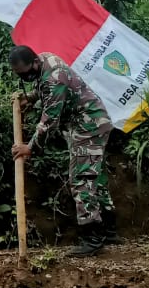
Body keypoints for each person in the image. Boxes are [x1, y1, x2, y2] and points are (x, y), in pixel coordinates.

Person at [9, 45, 116, 256]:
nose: (25, 77)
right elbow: (45, 88)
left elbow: (49, 121)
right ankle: (109, 230)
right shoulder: (46, 60)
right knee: (94, 177)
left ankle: (93, 239)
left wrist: (29, 148)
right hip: (91, 123)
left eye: (26, 72)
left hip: (89, 127)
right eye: (19, 74)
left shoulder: (54, 78)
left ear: (34, 62)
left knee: (81, 179)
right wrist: (32, 97)